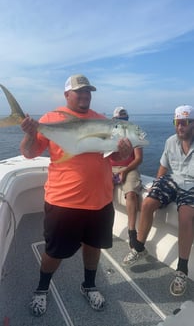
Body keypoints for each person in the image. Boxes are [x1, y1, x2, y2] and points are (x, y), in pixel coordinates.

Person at [20, 74, 132, 316]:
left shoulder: (103, 122)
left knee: (93, 246)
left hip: (100, 201)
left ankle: (89, 285)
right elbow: (29, 153)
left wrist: (123, 152)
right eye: (79, 91)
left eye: (88, 91)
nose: (84, 96)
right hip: (63, 202)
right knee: (54, 251)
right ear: (66, 95)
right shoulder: (51, 119)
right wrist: (30, 133)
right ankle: (42, 289)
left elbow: (115, 159)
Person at [122, 104, 194, 297]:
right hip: (173, 180)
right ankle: (139, 247)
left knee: (186, 216)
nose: (180, 127)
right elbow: (163, 169)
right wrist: (155, 188)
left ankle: (182, 269)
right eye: (177, 123)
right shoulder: (171, 141)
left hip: (193, 184)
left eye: (185, 123)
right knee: (147, 202)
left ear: (192, 124)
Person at [110, 107, 143, 249]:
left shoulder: (135, 132)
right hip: (110, 168)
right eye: (120, 119)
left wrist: (124, 170)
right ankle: (102, 227)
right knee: (99, 190)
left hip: (129, 167)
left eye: (125, 119)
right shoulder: (108, 134)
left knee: (131, 193)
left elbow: (138, 158)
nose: (123, 122)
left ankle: (131, 231)